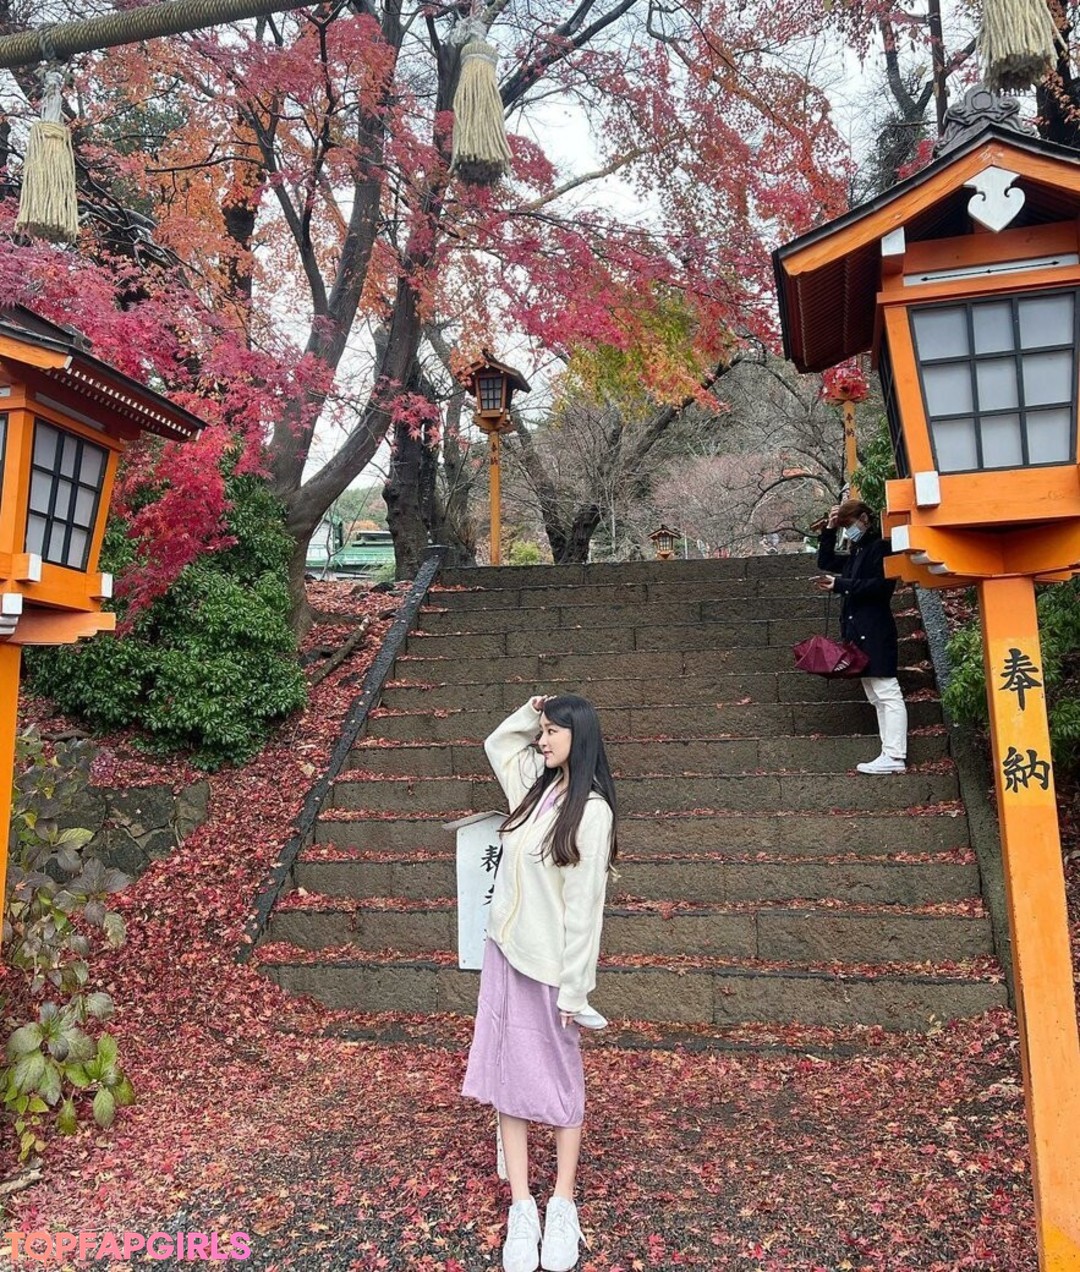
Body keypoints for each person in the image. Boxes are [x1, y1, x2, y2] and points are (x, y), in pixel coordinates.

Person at [462, 694, 617, 1272]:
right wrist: (529, 713)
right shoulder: (533, 789)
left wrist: (575, 989)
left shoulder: (591, 813)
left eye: (553, 731)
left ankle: (563, 1204)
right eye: (543, 731)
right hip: (505, 955)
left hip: (549, 969)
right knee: (508, 1077)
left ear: (581, 736)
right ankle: (522, 1207)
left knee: (558, 1082)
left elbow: (585, 911)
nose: (542, 740)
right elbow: (497, 744)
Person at [816, 499, 908, 774]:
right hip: (859, 631)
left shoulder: (880, 547)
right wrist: (830, 529)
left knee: (887, 691)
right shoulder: (858, 550)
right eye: (844, 526)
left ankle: (895, 754)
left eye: (849, 524)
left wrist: (840, 584)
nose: (849, 530)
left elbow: (880, 587)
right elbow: (826, 561)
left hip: (875, 630)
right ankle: (889, 752)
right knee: (876, 695)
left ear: (864, 519)